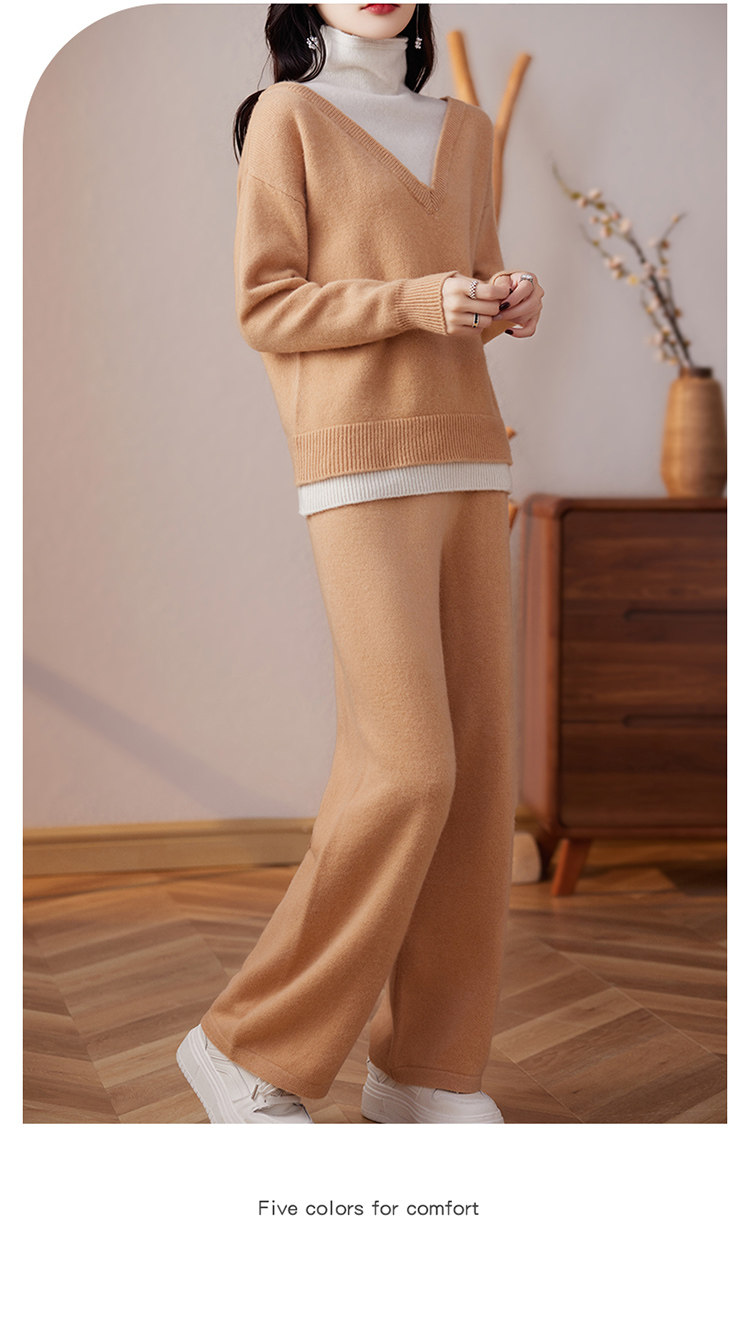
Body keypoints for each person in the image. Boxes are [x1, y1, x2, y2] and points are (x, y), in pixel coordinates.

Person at [177, 2, 544, 1124]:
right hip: (359, 462)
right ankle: (244, 1048)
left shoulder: (467, 131)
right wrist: (420, 299)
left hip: (470, 456)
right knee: (408, 767)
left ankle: (428, 1071)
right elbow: (266, 303)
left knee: (474, 783)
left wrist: (504, 301)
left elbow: (465, 287)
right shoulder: (288, 117)